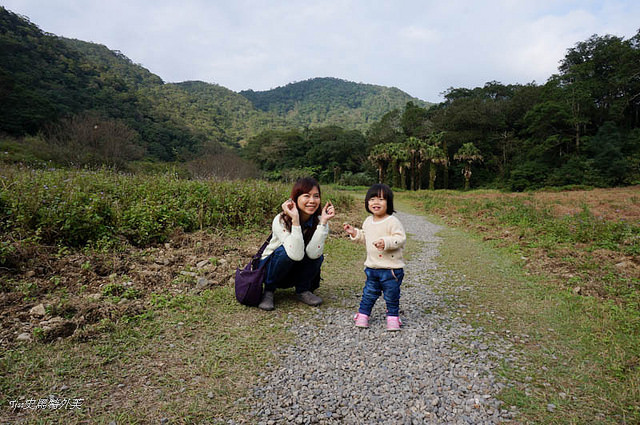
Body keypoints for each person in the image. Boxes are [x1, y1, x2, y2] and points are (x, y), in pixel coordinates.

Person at [257, 177, 335, 311]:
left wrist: (323, 223)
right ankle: (269, 291)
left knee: (318, 254)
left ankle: (303, 290)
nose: (312, 201)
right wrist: (295, 221)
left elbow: (313, 253)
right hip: (273, 269)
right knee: (284, 252)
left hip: (294, 271)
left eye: (316, 196)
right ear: (295, 198)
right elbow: (294, 253)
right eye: (306, 196)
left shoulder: (320, 221)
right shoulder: (281, 219)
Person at [343, 183, 406, 331]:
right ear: (367, 202)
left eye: (381, 199)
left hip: (390, 269)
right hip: (372, 267)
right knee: (369, 293)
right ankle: (363, 315)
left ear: (388, 203)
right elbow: (365, 237)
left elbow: (400, 238)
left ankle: (392, 318)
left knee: (391, 295)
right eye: (372, 199)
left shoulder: (392, 221)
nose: (376, 202)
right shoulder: (368, 221)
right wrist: (354, 233)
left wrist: (386, 242)